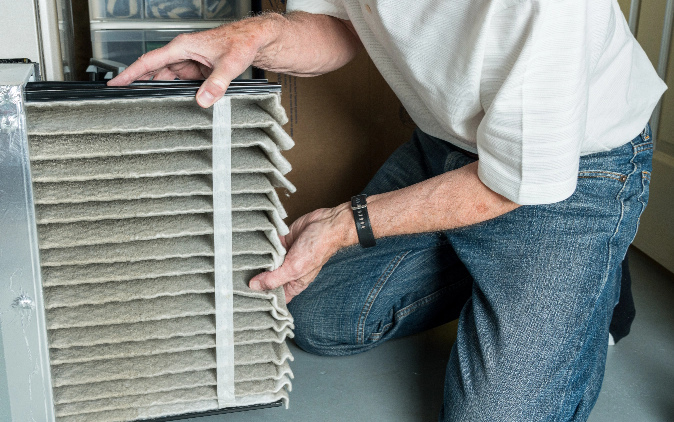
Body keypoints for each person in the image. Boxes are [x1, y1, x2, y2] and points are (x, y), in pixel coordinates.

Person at [110, 1, 666, 420]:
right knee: (316, 318)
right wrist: (258, 36)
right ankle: (512, 274)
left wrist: (341, 225)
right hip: (445, 146)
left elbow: (513, 181)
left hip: (566, 169)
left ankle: (593, 275)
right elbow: (341, 24)